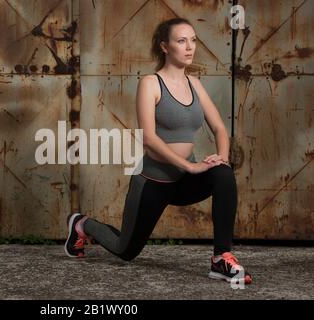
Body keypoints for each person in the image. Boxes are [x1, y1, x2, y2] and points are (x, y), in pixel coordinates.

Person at [64, 18, 251, 285]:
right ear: (165, 46)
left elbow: (221, 129)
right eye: (181, 41)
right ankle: (82, 225)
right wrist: (191, 166)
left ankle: (221, 258)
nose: (190, 47)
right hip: (153, 183)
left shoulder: (195, 84)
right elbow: (149, 140)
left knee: (223, 173)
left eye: (193, 40)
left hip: (185, 182)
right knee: (125, 250)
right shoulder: (150, 83)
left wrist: (219, 157)